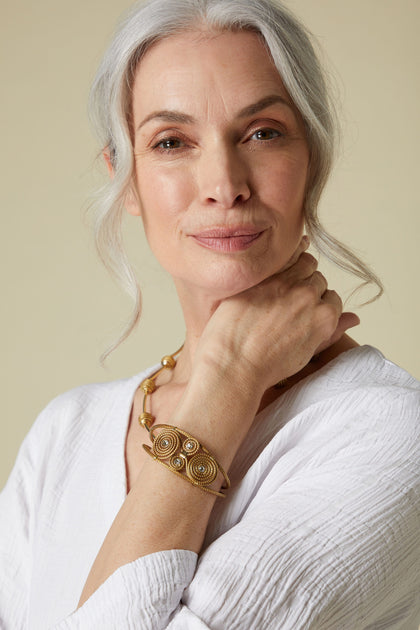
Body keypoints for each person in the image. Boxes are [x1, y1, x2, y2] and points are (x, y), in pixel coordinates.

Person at [1, 0, 419, 628]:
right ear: (126, 180)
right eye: (171, 142)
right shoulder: (64, 433)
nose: (224, 182)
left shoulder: (387, 431)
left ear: (312, 163)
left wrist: (228, 378)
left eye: (263, 133)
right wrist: (229, 378)